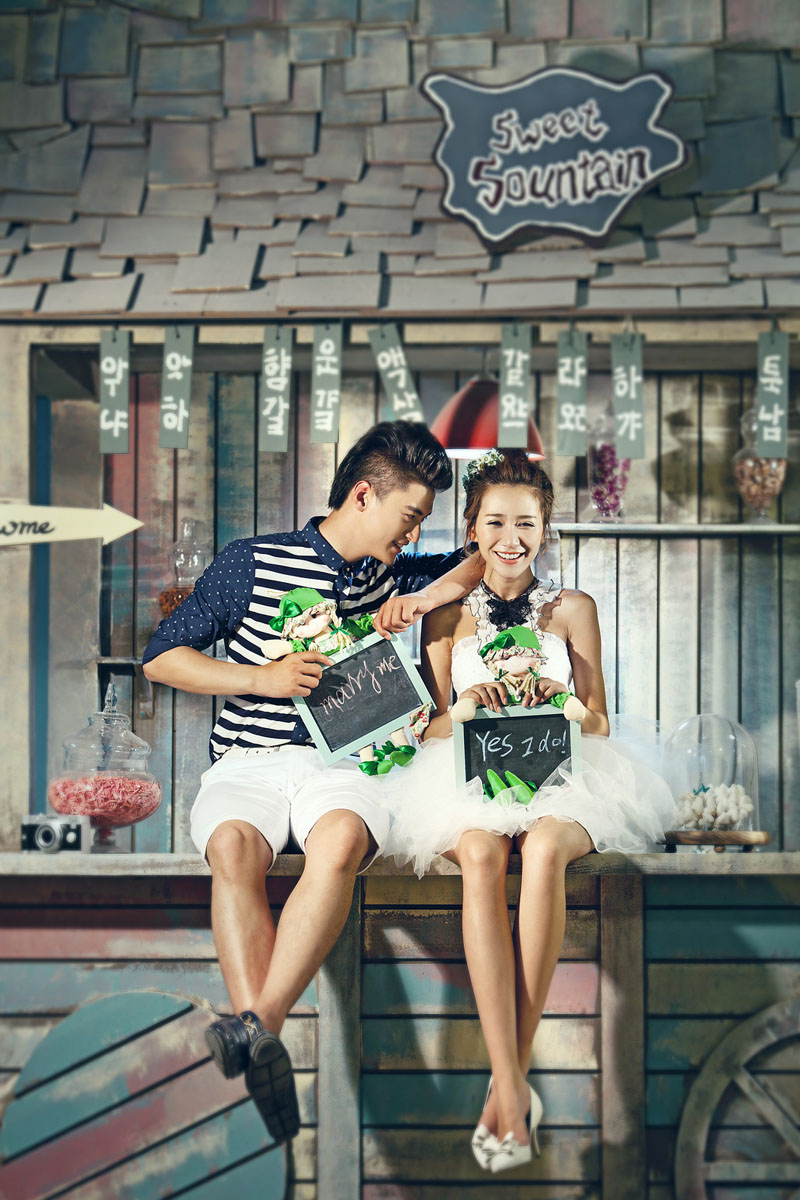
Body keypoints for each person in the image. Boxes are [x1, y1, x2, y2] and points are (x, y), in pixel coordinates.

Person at [141, 421, 483, 1142]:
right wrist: (258, 678)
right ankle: (262, 1041)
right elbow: (162, 657)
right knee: (232, 848)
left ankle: (254, 1026)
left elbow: (480, 558)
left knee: (340, 842)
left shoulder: (390, 573)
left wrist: (421, 602)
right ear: (362, 495)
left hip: (344, 768)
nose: (413, 533)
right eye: (409, 515)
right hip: (249, 761)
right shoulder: (251, 562)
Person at [376, 448, 676, 1175]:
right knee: (482, 854)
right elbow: (431, 725)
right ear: (472, 530)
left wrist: (562, 701)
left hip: (562, 774)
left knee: (541, 850)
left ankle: (507, 1078)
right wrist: (468, 706)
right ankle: (511, 1083)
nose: (511, 538)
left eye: (526, 524)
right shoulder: (443, 615)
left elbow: (600, 718)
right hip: (469, 776)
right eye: (495, 523)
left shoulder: (574, 608)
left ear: (546, 530)